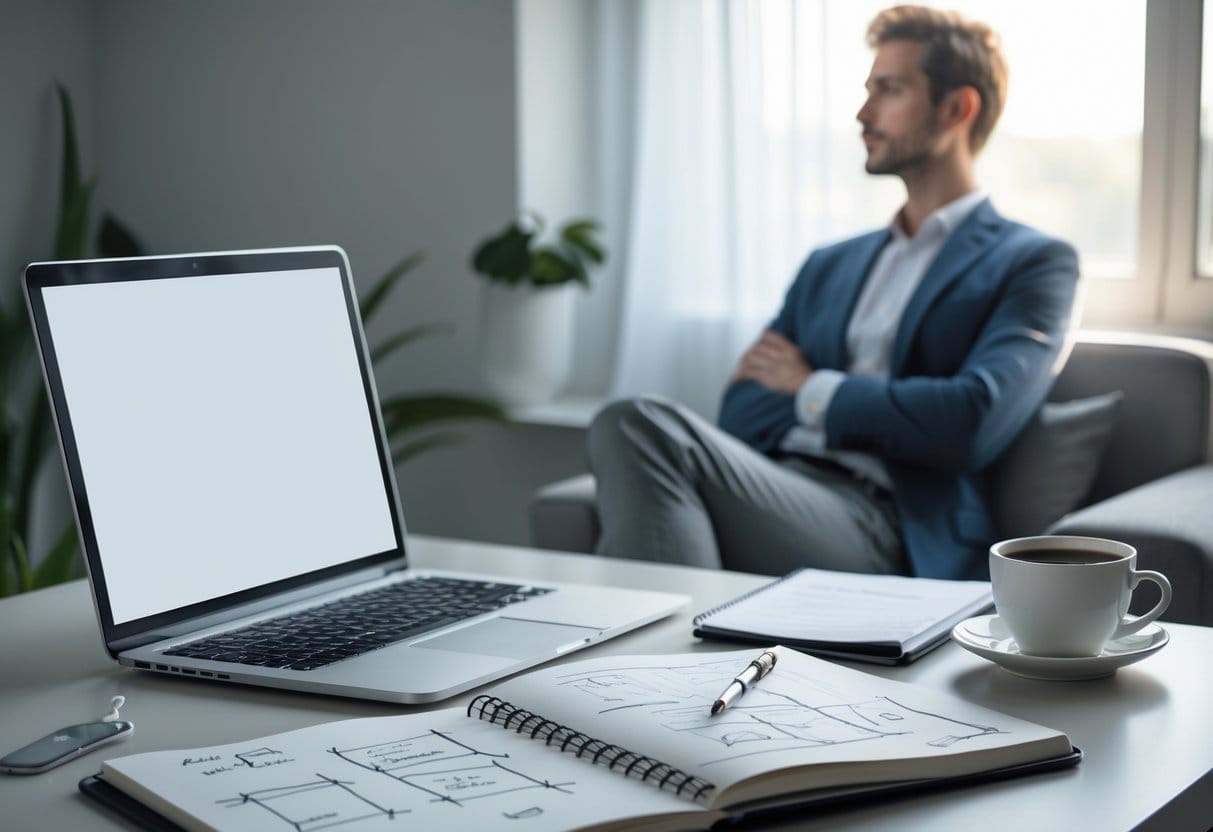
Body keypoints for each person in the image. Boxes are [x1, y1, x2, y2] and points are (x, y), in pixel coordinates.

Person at [588, 4, 1079, 581]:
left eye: (889, 90)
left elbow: (971, 421)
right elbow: (743, 407)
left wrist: (808, 386)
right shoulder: (830, 264)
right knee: (631, 432)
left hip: (888, 521)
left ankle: (662, 670)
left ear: (957, 108)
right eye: (868, 90)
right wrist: (874, 406)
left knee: (638, 424)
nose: (863, 113)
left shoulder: (1034, 261)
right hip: (776, 489)